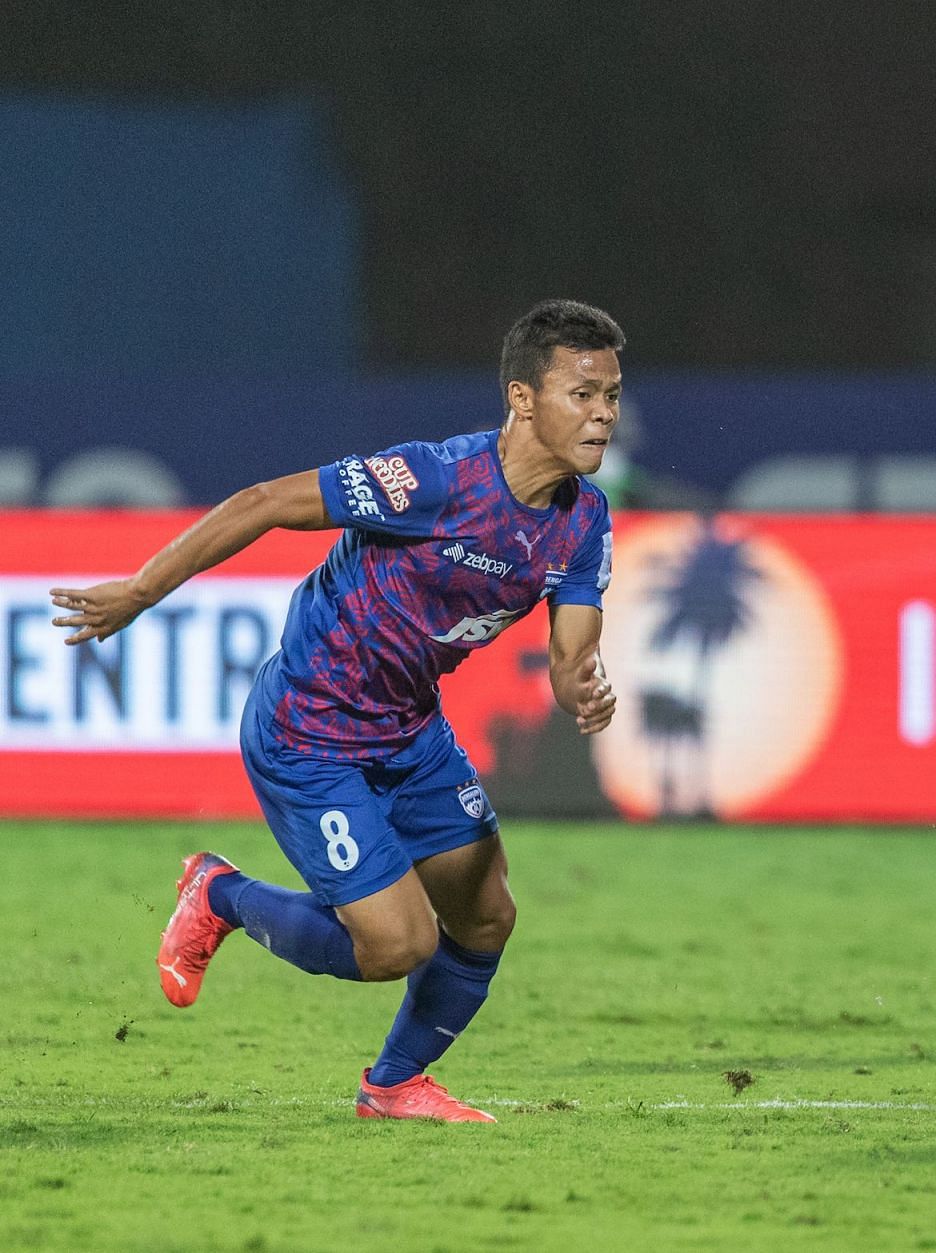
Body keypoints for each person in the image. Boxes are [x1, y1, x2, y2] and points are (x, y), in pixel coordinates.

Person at [50, 299, 624, 1122]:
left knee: (487, 911)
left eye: (612, 394)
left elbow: (572, 655)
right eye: (583, 393)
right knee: (399, 944)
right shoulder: (433, 480)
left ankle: (391, 1085)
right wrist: (140, 592)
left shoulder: (582, 523)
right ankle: (219, 894)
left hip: (409, 731)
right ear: (522, 398)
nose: (603, 412)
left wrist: (583, 686)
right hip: (308, 731)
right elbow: (262, 501)